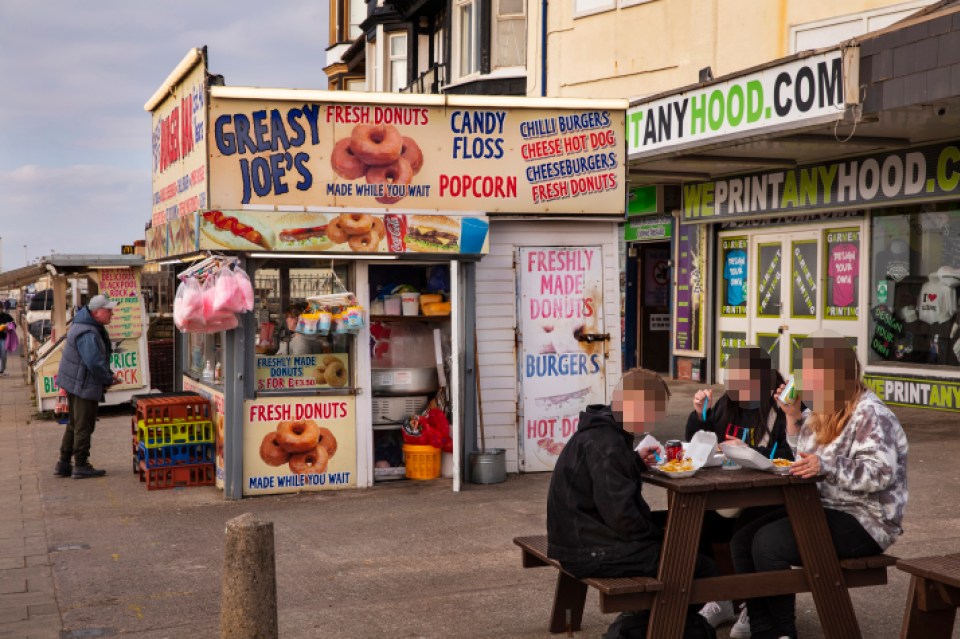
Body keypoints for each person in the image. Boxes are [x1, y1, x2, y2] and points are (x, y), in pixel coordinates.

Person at [729, 334, 908, 639]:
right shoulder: (825, 407)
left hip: (866, 521)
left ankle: (782, 632)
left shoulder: (871, 414)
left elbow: (881, 474)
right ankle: (762, 628)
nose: (805, 381)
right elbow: (804, 452)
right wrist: (794, 417)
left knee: (768, 544)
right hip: (822, 506)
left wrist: (827, 467)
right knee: (742, 540)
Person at [547, 368, 717, 639]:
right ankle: (649, 624)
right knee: (695, 563)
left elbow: (607, 489)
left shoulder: (602, 430)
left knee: (687, 540)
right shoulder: (609, 444)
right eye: (654, 411)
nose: (656, 419)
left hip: (579, 538)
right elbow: (623, 517)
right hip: (590, 550)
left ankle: (645, 618)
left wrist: (635, 461)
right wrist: (658, 536)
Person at [687, 346, 795, 461]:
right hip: (722, 474)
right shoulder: (727, 402)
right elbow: (697, 445)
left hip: (763, 477)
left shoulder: (782, 407)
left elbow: (791, 455)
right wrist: (701, 414)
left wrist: (747, 451)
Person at [54, 294, 122, 479]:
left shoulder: (84, 325)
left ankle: (64, 464)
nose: (112, 314)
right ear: (96, 312)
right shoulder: (88, 332)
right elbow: (93, 362)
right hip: (83, 383)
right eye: (108, 310)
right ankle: (81, 465)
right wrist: (108, 378)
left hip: (76, 382)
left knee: (74, 424)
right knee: (84, 426)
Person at [0, 307, 14, 376]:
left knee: (3, 355)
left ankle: (2, 370)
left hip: (4, 338)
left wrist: (8, 326)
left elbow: (13, 324)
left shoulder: (6, 316)